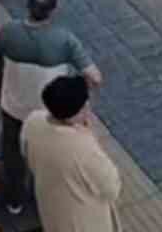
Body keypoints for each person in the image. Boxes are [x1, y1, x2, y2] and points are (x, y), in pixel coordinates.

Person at [0, 0, 103, 217]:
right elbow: (95, 77)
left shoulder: (8, 32)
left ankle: (15, 200)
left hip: (13, 106)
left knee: (12, 153)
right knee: (49, 156)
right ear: (53, 10)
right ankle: (44, 200)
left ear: (27, 5)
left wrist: (4, 80)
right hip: (48, 113)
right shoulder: (65, 40)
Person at [22, 75, 121, 232]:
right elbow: (111, 188)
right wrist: (88, 135)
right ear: (81, 109)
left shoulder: (33, 120)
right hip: (82, 221)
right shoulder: (83, 148)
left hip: (50, 206)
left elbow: (27, 155)